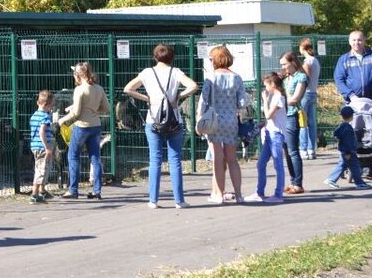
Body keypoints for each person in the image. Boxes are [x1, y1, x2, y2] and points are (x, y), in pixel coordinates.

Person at [124, 44, 198, 209]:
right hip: (174, 120)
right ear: (172, 57)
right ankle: (179, 200)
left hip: (153, 119)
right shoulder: (176, 72)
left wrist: (147, 98)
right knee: (175, 160)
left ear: (155, 57)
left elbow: (128, 89)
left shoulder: (147, 73)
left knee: (155, 159)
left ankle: (153, 200)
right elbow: (193, 86)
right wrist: (178, 96)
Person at [197, 44, 246, 203]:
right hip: (231, 121)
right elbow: (242, 102)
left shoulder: (211, 78)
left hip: (214, 121)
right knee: (232, 159)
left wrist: (199, 120)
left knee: (217, 158)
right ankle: (238, 194)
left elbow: (203, 101)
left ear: (215, 60)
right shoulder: (237, 77)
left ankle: (218, 194)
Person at [59, 62, 109, 199]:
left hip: (82, 127)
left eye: (74, 74)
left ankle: (73, 190)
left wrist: (61, 121)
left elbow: (75, 113)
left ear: (78, 75)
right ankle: (97, 191)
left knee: (73, 156)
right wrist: (93, 110)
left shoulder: (80, 90)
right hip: (96, 126)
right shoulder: (99, 88)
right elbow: (107, 108)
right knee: (95, 158)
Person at [248, 72, 287, 204]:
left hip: (276, 135)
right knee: (261, 164)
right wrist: (264, 124)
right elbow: (271, 119)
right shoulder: (275, 97)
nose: (265, 88)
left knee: (278, 164)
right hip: (270, 133)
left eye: (266, 85)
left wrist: (264, 101)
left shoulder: (279, 98)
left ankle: (278, 194)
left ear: (272, 84)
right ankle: (260, 192)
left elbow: (269, 114)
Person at [334, 29, 372, 105]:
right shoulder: (344, 59)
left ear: (364, 40)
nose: (356, 43)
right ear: (349, 42)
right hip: (352, 101)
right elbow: (339, 80)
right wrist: (351, 95)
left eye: (359, 40)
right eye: (354, 40)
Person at [323, 106, 371, 189]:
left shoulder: (341, 126)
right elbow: (348, 142)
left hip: (344, 151)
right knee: (355, 167)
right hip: (349, 152)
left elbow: (337, 135)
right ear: (352, 116)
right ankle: (359, 183)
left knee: (342, 165)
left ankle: (331, 179)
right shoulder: (347, 128)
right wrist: (348, 152)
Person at [279, 52, 307, 194]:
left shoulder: (300, 77)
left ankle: (298, 184)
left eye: (285, 64)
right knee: (287, 152)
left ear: (292, 62)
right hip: (282, 116)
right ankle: (292, 181)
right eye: (281, 65)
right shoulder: (284, 78)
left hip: (292, 115)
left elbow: (295, 99)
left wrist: (280, 98)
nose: (283, 67)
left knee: (293, 151)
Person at [28, 90, 56, 204]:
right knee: (41, 170)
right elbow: (42, 132)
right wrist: (47, 148)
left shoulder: (34, 115)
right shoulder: (45, 117)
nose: (51, 108)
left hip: (35, 146)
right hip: (42, 146)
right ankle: (34, 194)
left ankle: (42, 191)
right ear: (46, 105)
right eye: (51, 106)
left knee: (42, 168)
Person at [298, 38, 320, 159]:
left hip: (305, 93)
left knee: (303, 122)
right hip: (313, 92)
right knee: (312, 122)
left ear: (303, 48)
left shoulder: (307, 61)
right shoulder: (315, 60)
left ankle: (303, 149)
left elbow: (305, 78)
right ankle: (312, 149)